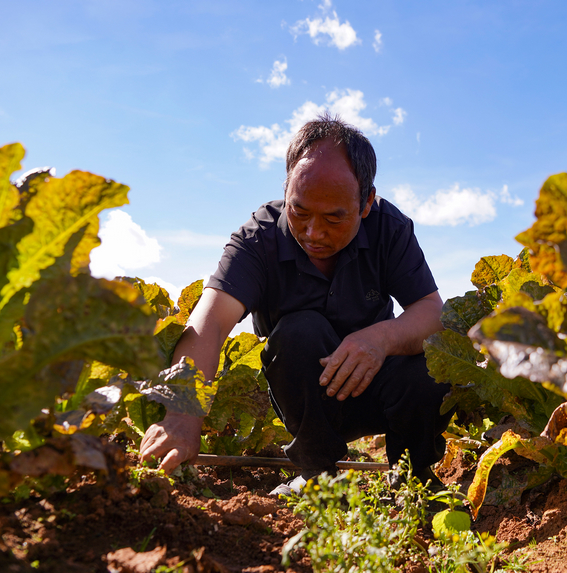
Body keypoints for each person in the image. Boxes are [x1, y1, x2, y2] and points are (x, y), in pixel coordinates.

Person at [139, 113, 453, 495]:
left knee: (434, 361)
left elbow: (432, 312)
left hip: (378, 389)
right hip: (304, 400)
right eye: (299, 212)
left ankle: (414, 480)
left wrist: (381, 338)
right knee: (300, 332)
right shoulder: (258, 238)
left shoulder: (390, 229)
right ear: (286, 188)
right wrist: (182, 411)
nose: (313, 232)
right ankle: (317, 476)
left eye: (334, 218)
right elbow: (211, 321)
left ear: (366, 202)